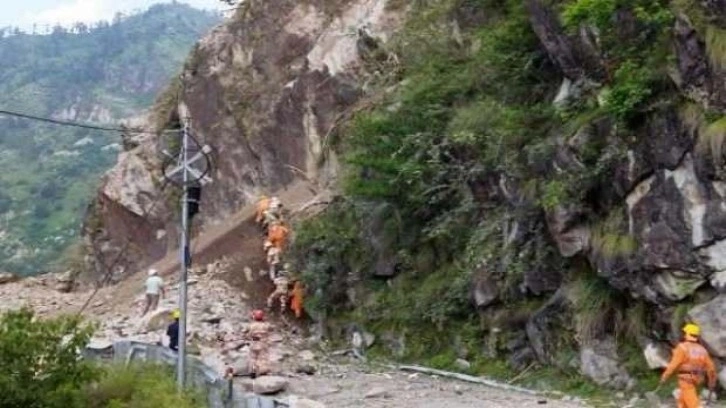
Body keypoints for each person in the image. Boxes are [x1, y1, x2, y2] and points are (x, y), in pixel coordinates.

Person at [660, 323, 717, 408]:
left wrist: (665, 376)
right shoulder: (702, 350)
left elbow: (673, 365)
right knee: (682, 400)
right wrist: (712, 381)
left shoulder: (682, 348)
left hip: (686, 379)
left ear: (687, 334)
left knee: (692, 403)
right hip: (697, 378)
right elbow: (711, 368)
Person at [245, 309, 272, 376]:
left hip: (253, 344)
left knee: (252, 358)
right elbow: (271, 329)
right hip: (263, 344)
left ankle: (252, 370)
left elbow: (246, 333)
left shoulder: (251, 325)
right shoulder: (266, 325)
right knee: (262, 358)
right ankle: (262, 371)